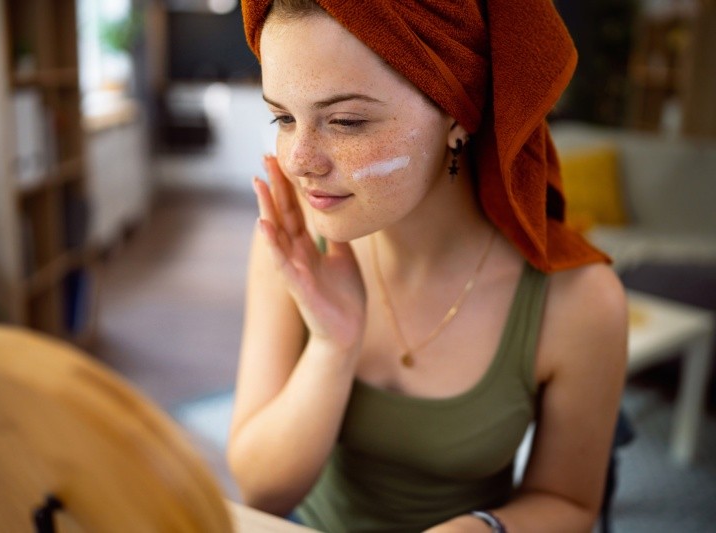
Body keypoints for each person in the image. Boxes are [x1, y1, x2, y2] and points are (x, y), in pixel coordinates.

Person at [227, 1, 628, 531]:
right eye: (282, 116)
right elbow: (261, 491)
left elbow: (571, 502)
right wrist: (332, 346)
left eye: (346, 121)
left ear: (458, 115)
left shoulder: (579, 301)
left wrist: (483, 528)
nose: (299, 160)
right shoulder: (296, 243)